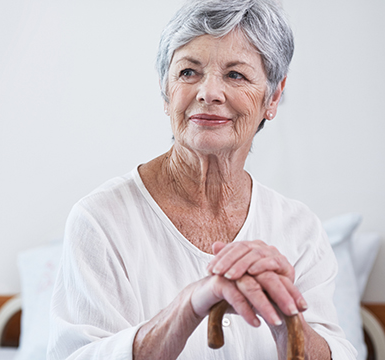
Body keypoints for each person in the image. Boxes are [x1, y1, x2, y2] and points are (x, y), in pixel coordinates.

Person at [47, 0, 356, 359]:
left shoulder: (300, 231)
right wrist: (189, 306)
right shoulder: (99, 221)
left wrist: (285, 317)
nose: (208, 93)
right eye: (189, 72)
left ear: (272, 96)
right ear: (166, 91)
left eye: (235, 75)